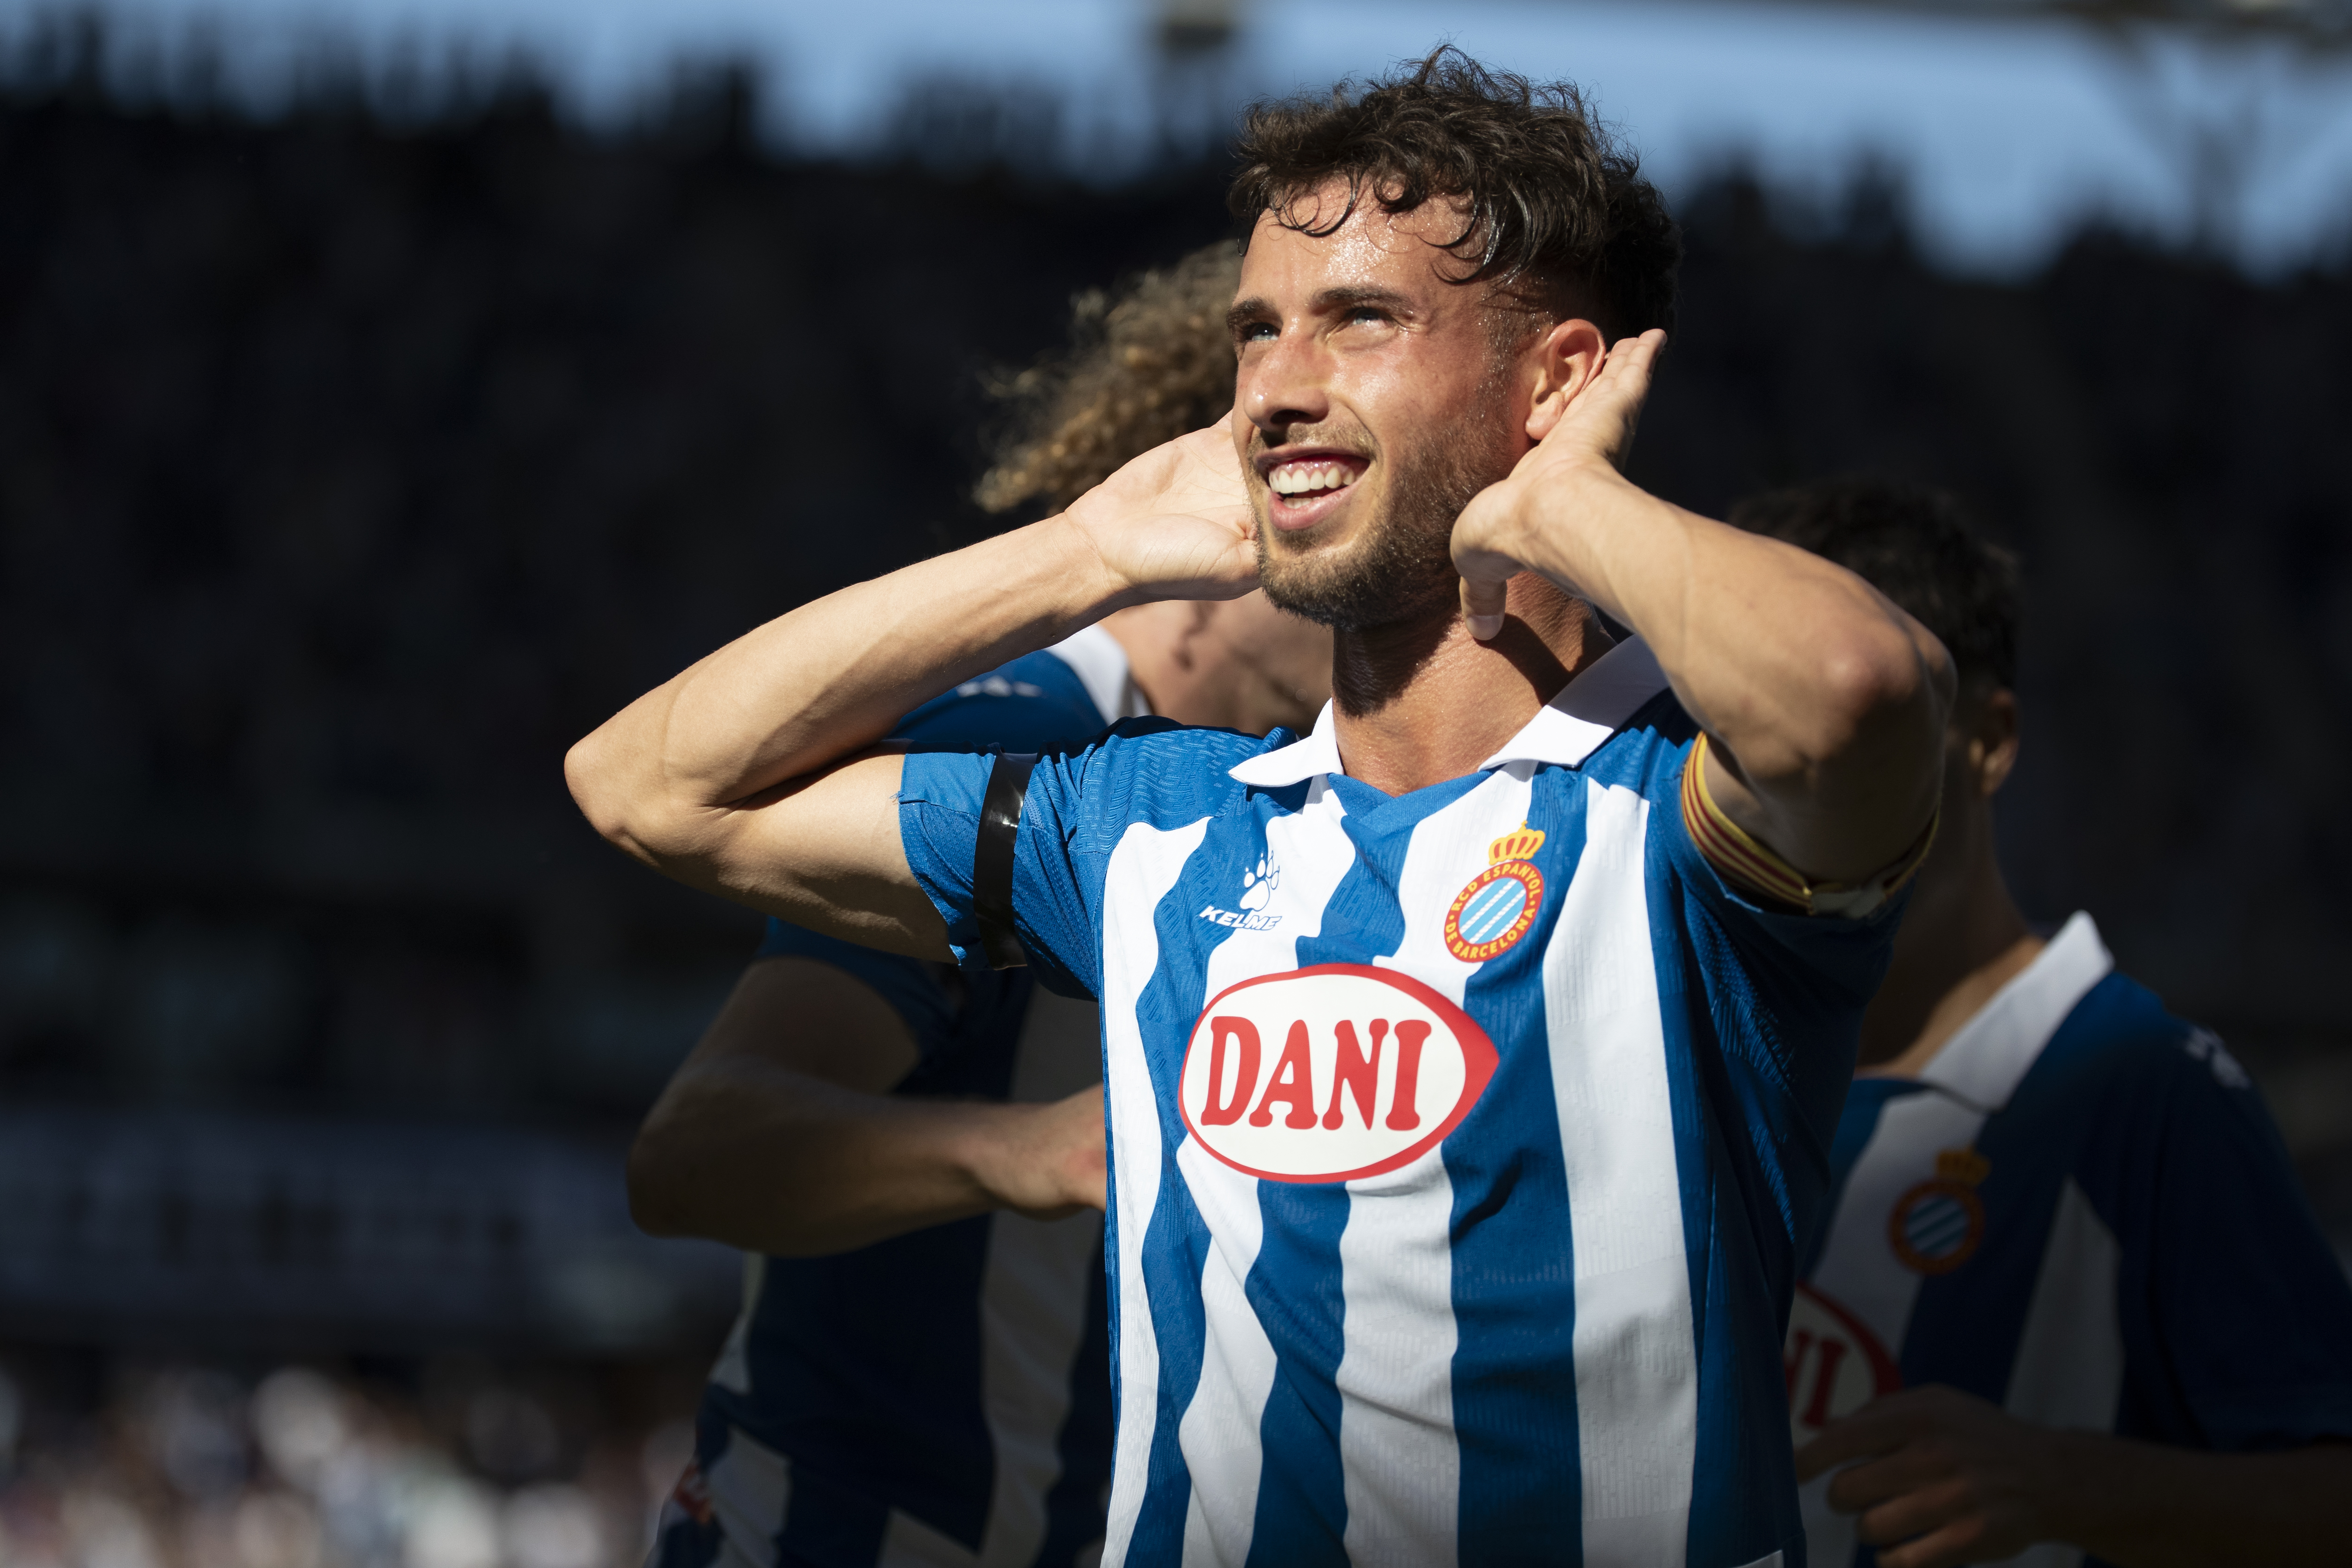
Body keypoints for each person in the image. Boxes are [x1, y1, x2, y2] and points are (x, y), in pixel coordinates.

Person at [570, 49, 1952, 1568]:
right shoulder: (1153, 824)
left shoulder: (1680, 821)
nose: (1280, 385)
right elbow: (645, 787)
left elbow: (1857, 686)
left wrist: (1566, 497)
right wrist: (1085, 550)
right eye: (1257, 333)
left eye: (1360, 319)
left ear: (1554, 378)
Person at [629, 244, 1330, 1568]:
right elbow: (692, 1148)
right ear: (1219, 543)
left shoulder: (1261, 783)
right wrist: (1034, 1153)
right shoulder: (1026, 742)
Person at [1741, 479, 2352, 1568]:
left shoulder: (2138, 1090)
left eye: (1865, 731)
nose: (1809, 791)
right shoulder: (1709, 1067)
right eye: (1753, 735)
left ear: (1986, 740)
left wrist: (2077, 1485)